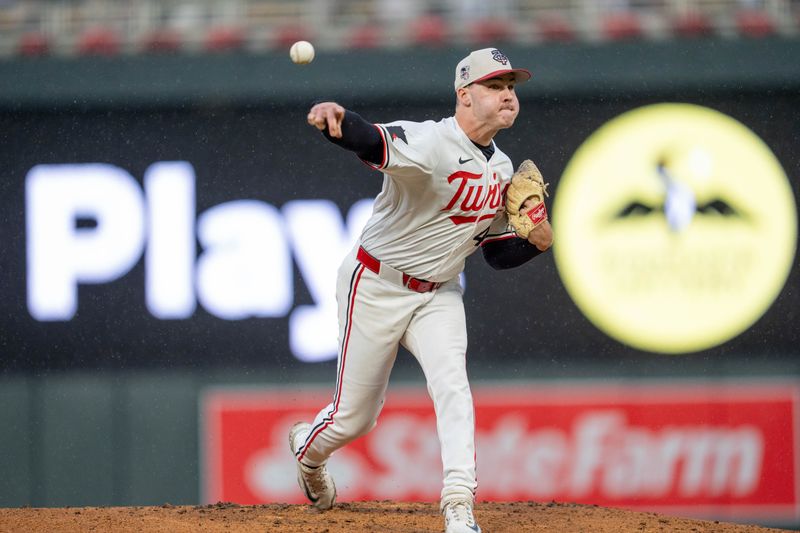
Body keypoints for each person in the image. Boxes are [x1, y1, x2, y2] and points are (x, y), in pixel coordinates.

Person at [288, 47, 553, 533]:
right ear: (464, 95)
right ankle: (308, 452)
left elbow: (495, 254)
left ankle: (458, 505)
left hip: (440, 292)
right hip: (376, 283)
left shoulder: (502, 168)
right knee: (354, 419)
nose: (508, 95)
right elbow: (373, 142)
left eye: (511, 86)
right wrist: (340, 121)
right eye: (494, 86)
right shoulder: (431, 141)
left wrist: (536, 242)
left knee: (453, 385)